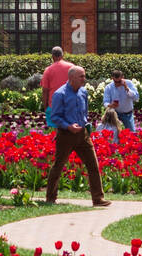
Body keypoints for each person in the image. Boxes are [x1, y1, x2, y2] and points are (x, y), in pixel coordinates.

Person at [45, 67, 110, 207]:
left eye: (84, 76)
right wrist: (68, 126)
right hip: (66, 135)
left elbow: (85, 111)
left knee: (93, 165)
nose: (84, 79)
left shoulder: (83, 92)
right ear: (72, 77)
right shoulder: (59, 94)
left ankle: (98, 198)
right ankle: (50, 198)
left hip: (83, 135)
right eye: (81, 76)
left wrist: (85, 124)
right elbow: (54, 116)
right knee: (58, 166)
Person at [40, 46, 75, 132]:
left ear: (52, 56)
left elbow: (45, 90)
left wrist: (45, 106)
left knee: (57, 133)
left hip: (54, 105)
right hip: (70, 104)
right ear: (62, 55)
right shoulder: (72, 67)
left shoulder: (48, 70)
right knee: (71, 131)